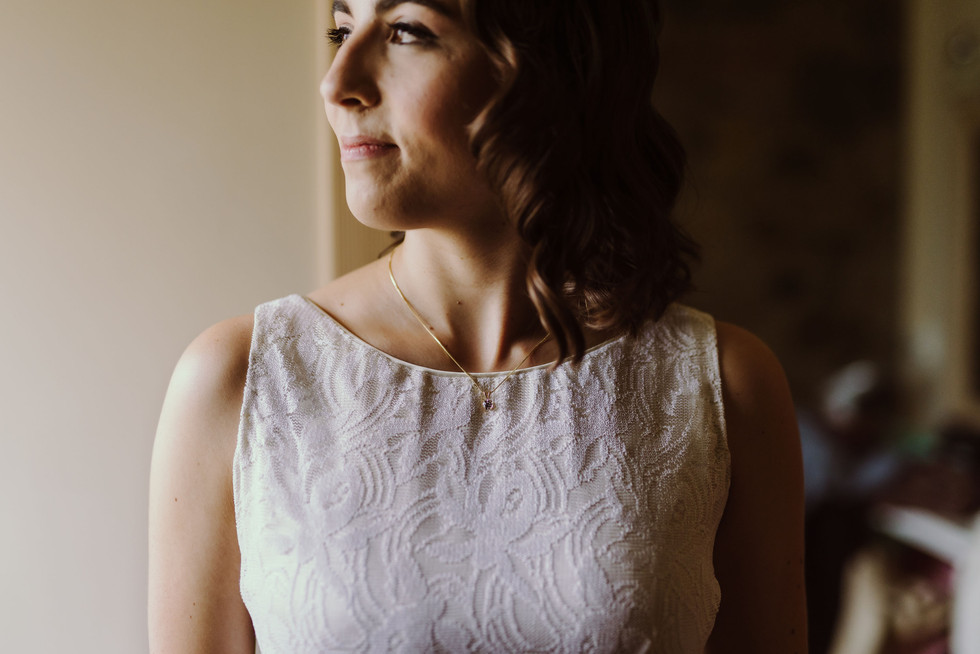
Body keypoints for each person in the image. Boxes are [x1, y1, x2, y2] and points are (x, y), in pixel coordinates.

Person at [147, 0, 807, 651]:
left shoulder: (718, 388)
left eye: (407, 30)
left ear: (550, 66)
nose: (336, 83)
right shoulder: (246, 383)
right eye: (341, 30)